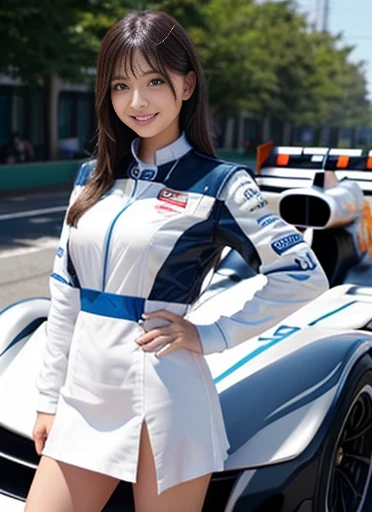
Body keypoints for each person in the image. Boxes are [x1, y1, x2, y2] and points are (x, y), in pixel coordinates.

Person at [24, 10, 329, 512]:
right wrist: (47, 399)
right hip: (84, 395)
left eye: (155, 81)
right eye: (121, 85)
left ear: (187, 85)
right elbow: (64, 298)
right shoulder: (90, 179)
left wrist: (212, 335)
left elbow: (302, 275)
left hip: (163, 391)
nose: (137, 101)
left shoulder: (222, 184)